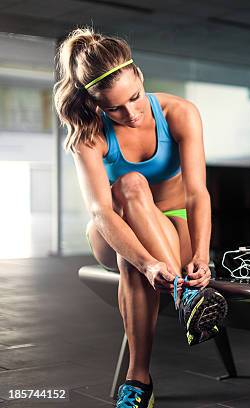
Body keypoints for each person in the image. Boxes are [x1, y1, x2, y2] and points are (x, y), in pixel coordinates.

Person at [54, 27, 224, 408]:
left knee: (129, 261)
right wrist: (147, 262)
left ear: (140, 77)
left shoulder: (179, 113)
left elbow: (197, 194)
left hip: (175, 224)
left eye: (134, 98)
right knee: (129, 188)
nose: (130, 113)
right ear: (94, 102)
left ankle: (138, 381)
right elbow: (99, 211)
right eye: (114, 107)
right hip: (112, 227)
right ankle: (188, 294)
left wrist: (200, 255)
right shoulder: (88, 134)